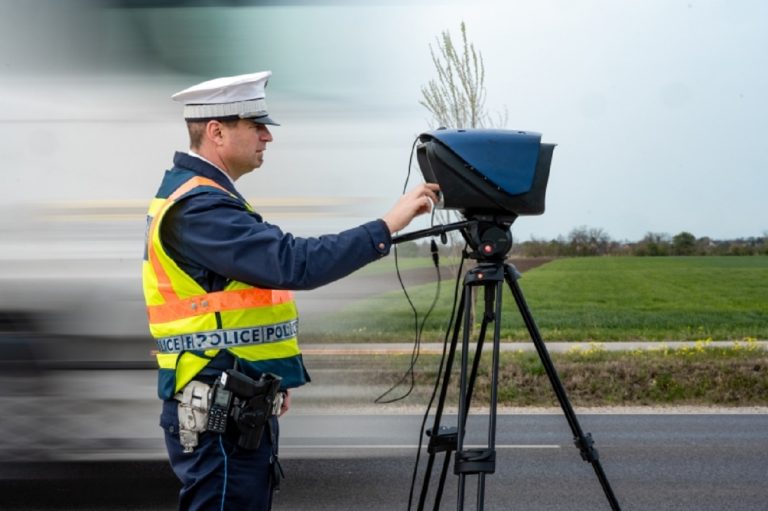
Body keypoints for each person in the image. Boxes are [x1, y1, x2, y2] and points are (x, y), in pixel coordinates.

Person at [142, 71, 439, 511]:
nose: (268, 137)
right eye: (256, 125)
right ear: (217, 132)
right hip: (219, 415)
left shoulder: (205, 197)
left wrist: (268, 373)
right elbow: (294, 263)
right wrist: (386, 226)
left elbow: (231, 307)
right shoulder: (200, 207)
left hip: (234, 403)